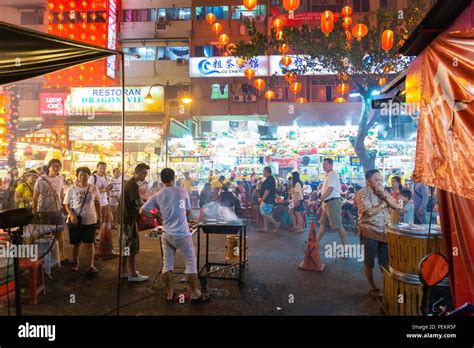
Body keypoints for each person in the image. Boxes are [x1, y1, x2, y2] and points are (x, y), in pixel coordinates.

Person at [140, 168, 210, 303]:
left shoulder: (158, 194)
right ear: (173, 178)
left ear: (161, 180)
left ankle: (170, 294)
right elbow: (188, 213)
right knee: (190, 262)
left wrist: (155, 215)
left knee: (167, 263)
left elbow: (142, 211)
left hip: (166, 233)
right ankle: (195, 293)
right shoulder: (182, 192)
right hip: (182, 233)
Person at [355, 169, 399, 298]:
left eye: (381, 180)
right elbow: (368, 212)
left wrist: (384, 196)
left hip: (385, 231)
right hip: (368, 231)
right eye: (376, 180)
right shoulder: (362, 193)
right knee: (369, 262)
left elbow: (395, 206)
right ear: (368, 181)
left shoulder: (383, 192)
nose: (380, 182)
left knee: (384, 262)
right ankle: (372, 286)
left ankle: (388, 285)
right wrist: (383, 204)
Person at [63, 167, 101, 276]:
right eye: (80, 175)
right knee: (76, 243)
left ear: (89, 176)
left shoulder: (94, 188)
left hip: (90, 220)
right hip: (76, 220)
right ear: (77, 176)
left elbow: (97, 203)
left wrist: (99, 216)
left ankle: (90, 265)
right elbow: (66, 204)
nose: (83, 177)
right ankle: (75, 262)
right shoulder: (72, 189)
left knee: (90, 243)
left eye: (85, 175)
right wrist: (71, 214)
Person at [32, 159, 67, 263]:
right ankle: (39, 255)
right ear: (49, 167)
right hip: (44, 211)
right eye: (54, 166)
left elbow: (61, 194)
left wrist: (64, 208)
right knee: (41, 234)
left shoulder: (60, 179)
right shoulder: (41, 180)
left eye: (58, 166)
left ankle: (62, 255)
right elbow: (35, 197)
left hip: (57, 210)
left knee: (59, 233)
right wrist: (35, 211)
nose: (56, 168)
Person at [121, 163, 150, 282]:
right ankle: (132, 274)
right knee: (130, 246)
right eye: (143, 173)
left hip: (125, 218)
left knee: (125, 246)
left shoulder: (131, 183)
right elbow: (138, 204)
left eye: (146, 173)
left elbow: (138, 201)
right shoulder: (132, 184)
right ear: (137, 172)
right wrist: (153, 214)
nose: (145, 175)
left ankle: (124, 271)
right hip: (127, 220)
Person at [317, 158, 347, 246]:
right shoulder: (328, 175)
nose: (323, 166)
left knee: (338, 226)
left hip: (333, 202)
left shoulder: (333, 175)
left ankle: (346, 247)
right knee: (322, 225)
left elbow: (330, 189)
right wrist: (323, 202)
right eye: (323, 165)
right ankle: (315, 243)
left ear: (331, 165)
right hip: (328, 203)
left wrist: (320, 199)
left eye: (325, 165)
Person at [258, 167, 280, 232]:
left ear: (266, 171)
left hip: (268, 199)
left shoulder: (269, 179)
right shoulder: (270, 179)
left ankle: (276, 223)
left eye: (263, 171)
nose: (262, 172)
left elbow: (267, 190)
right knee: (266, 213)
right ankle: (265, 228)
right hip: (268, 199)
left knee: (264, 214)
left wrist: (262, 199)